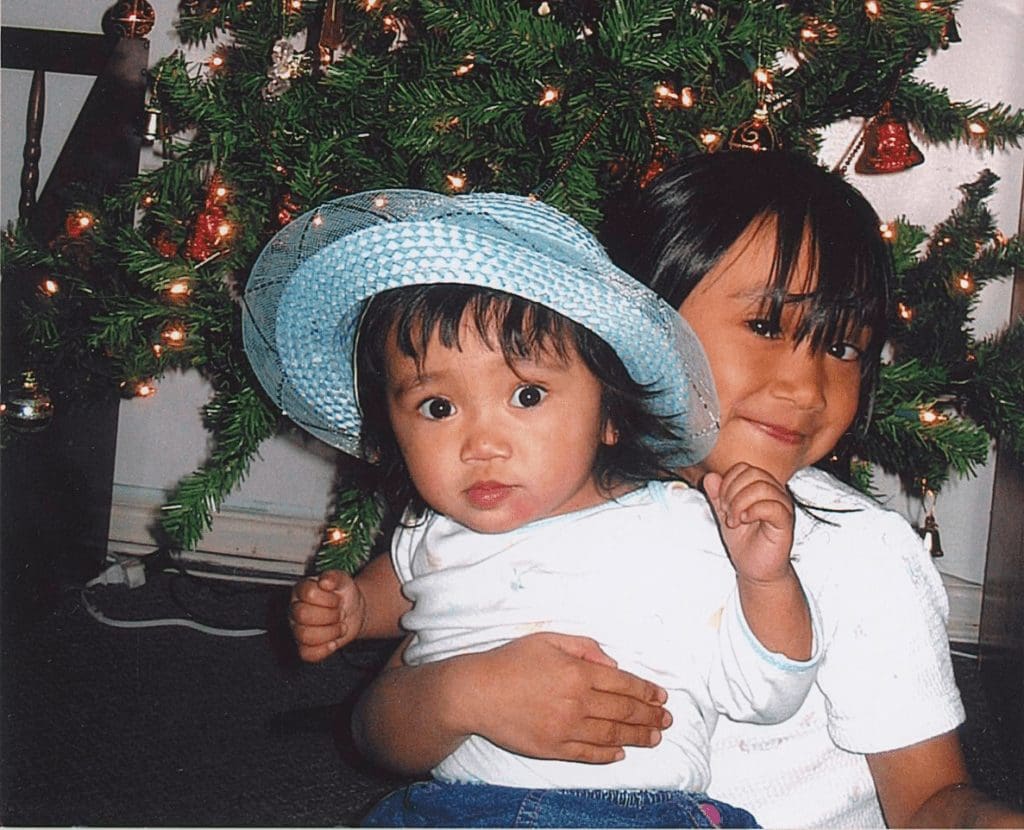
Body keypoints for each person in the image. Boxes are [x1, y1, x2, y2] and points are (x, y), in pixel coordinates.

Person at [290, 153, 1024, 828]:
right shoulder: (527, 497)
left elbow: (931, 798)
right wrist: (462, 695)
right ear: (645, 323)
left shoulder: (860, 555)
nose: (805, 386)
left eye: (842, 345)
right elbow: (377, 731)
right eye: (765, 324)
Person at [247, 188, 824, 827]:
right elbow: (406, 588)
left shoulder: (679, 524)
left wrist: (767, 581)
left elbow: (766, 694)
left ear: (608, 413)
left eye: (526, 395)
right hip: (454, 809)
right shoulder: (431, 530)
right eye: (438, 407)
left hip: (638, 813)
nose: (482, 445)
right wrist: (355, 608)